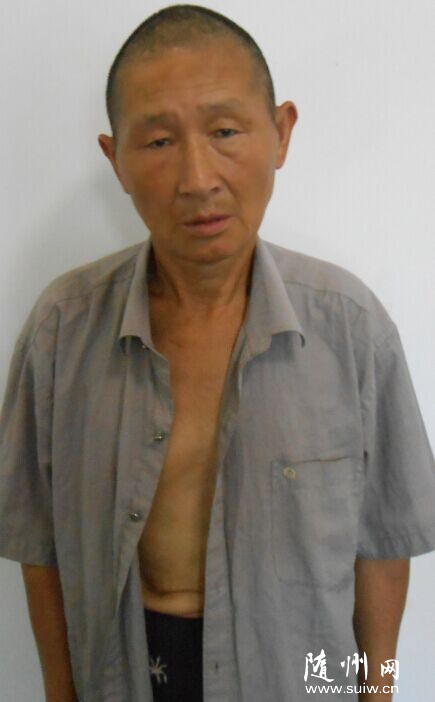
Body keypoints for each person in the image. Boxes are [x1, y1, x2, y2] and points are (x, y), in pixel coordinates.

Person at [0, 4, 434, 702]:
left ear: (281, 132)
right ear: (115, 160)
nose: (197, 178)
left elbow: (382, 547)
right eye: (158, 141)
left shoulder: (351, 329)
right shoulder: (62, 330)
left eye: (225, 131)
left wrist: (377, 694)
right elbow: (38, 546)